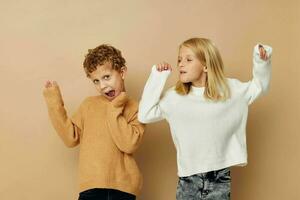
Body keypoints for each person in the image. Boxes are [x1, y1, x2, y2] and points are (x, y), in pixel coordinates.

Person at [138, 37, 272, 199]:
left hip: (219, 177)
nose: (181, 64)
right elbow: (145, 114)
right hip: (188, 179)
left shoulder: (229, 90)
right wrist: (157, 77)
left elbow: (259, 87)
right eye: (179, 59)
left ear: (206, 66)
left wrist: (261, 60)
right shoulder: (175, 96)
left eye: (188, 59)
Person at [43, 44, 145, 200]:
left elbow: (129, 144)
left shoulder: (135, 108)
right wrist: (54, 102)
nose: (103, 86)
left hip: (123, 189)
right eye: (96, 81)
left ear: (122, 72)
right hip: (91, 187)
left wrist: (115, 106)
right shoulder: (89, 105)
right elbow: (70, 138)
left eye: (106, 77)